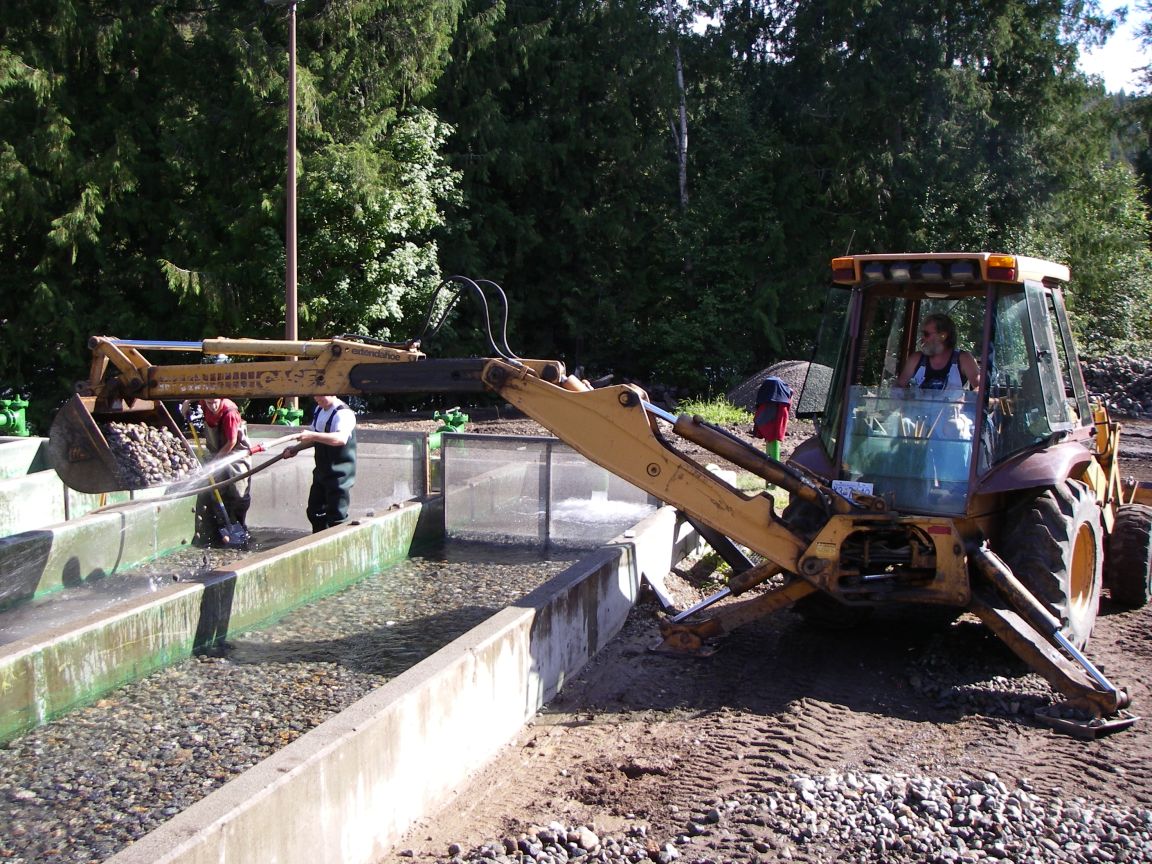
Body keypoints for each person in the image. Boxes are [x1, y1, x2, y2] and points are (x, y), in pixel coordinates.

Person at [180, 397, 252, 547]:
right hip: (216, 450)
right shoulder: (205, 401)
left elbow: (231, 441)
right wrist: (186, 404)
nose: (212, 406)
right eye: (209, 403)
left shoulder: (229, 413)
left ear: (221, 399)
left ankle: (239, 527)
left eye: (215, 403)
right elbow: (194, 397)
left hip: (236, 453)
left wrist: (216, 462)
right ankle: (222, 527)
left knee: (239, 493)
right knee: (217, 490)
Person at [284, 395, 358, 532]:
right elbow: (314, 437)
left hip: (339, 475)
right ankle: (317, 540)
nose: (317, 399)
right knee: (315, 512)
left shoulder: (343, 414)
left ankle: (339, 544)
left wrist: (312, 435)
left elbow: (340, 439)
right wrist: (295, 449)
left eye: (321, 395)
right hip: (321, 471)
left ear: (332, 392)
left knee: (336, 517)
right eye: (315, 395)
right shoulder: (319, 409)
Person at [896, 313, 981, 392]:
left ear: (943, 336)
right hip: (918, 408)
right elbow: (899, 386)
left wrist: (965, 400)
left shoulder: (963, 359)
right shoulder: (916, 359)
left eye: (926, 334)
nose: (922, 338)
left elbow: (981, 389)